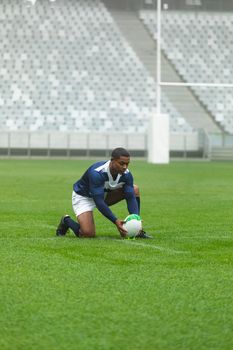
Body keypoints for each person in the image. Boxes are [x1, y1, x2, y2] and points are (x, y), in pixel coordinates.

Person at [56, 147, 152, 239]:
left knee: (134, 189)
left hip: (103, 195)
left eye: (127, 164)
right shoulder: (97, 173)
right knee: (87, 234)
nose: (125, 167)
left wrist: (135, 221)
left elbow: (130, 196)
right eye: (121, 163)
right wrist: (116, 221)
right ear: (112, 160)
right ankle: (66, 220)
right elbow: (99, 202)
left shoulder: (127, 174)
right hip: (84, 197)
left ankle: (139, 231)